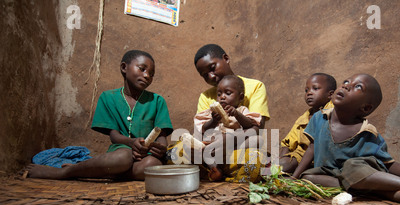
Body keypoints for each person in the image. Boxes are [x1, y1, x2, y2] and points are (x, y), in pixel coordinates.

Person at [291, 73, 400, 205]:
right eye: (346, 82)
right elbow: (311, 149)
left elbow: (390, 164)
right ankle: (384, 193)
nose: (346, 85)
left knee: (352, 167)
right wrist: (294, 178)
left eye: (357, 87)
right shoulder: (320, 118)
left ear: (365, 108)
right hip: (333, 176)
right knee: (308, 177)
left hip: (362, 172)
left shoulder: (366, 132)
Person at [26, 50, 173, 181]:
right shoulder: (108, 97)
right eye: (142, 69)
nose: (147, 76)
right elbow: (114, 135)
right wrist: (131, 142)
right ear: (124, 67)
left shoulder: (157, 101)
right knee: (123, 158)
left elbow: (162, 135)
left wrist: (160, 148)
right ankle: (66, 172)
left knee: (153, 165)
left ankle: (101, 173)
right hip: (121, 151)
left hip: (145, 155)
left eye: (151, 74)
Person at [194, 75, 262, 181]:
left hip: (235, 147)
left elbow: (250, 125)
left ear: (240, 97)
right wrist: (214, 120)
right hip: (215, 148)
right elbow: (203, 129)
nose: (222, 97)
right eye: (219, 94)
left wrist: (237, 114)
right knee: (202, 148)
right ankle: (216, 169)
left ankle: (227, 167)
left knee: (257, 140)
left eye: (228, 93)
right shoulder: (212, 113)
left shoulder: (242, 110)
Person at [279, 73, 336, 173]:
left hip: (325, 156)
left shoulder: (333, 112)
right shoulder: (303, 118)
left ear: (330, 94)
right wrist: (280, 160)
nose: (309, 93)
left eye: (315, 88)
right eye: (306, 90)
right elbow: (287, 144)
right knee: (277, 166)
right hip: (301, 155)